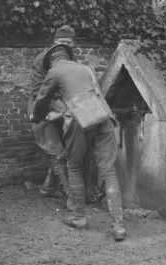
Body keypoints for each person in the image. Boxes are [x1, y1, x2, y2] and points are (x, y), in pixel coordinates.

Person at [30, 44, 127, 241]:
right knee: (109, 172)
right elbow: (97, 94)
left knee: (74, 167)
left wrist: (36, 117)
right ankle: (118, 226)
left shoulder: (54, 72)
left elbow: (41, 100)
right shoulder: (85, 69)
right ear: (68, 56)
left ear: (51, 61)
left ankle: (79, 217)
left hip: (79, 120)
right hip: (103, 116)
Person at [28, 25, 76, 204]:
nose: (64, 45)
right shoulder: (42, 60)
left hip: (63, 109)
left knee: (66, 148)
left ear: (73, 45)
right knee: (56, 150)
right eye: (61, 42)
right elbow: (36, 90)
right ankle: (70, 197)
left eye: (68, 43)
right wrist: (59, 105)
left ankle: (48, 187)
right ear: (54, 43)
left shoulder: (73, 62)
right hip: (42, 109)